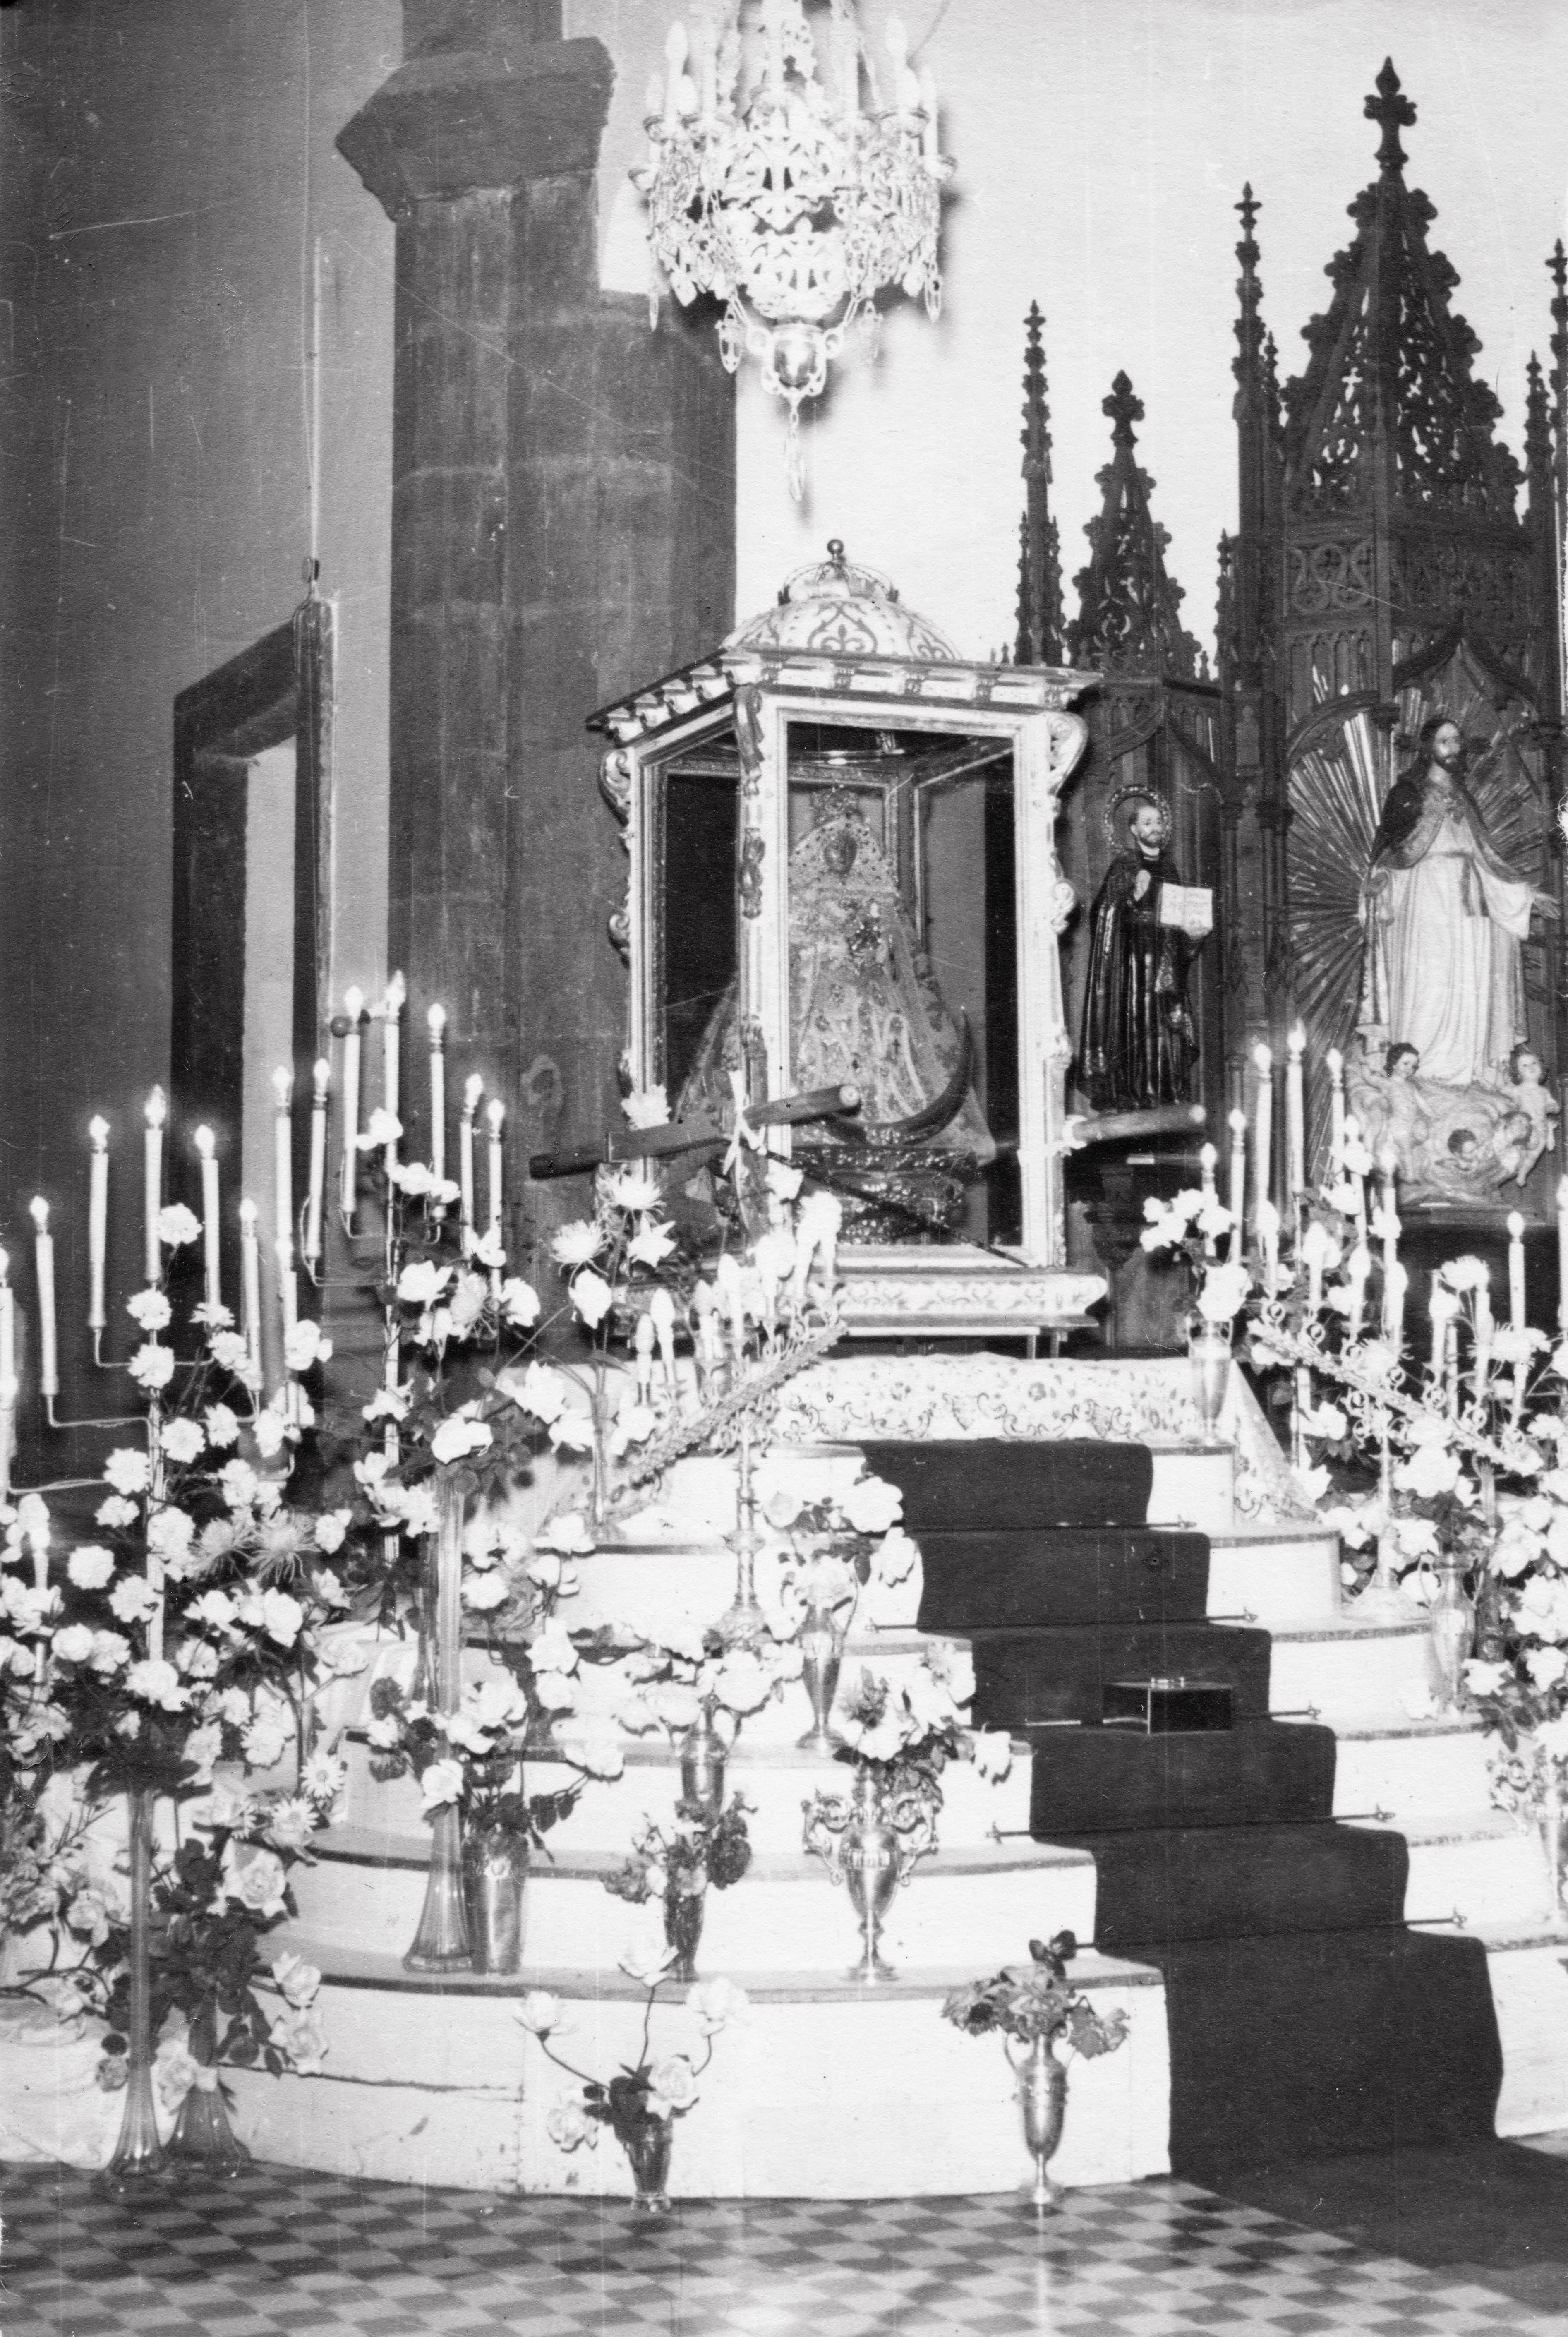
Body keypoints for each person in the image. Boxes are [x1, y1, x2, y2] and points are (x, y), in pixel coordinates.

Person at [1359, 715, 1556, 1090]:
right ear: (1428, 747)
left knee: (1469, 981)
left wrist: (1527, 896)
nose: (1454, 749)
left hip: (1470, 906)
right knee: (1429, 981)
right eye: (1445, 741)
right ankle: (1422, 1068)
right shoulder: (1408, 793)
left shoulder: (1464, 798)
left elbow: (1486, 858)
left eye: (1458, 741)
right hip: (1424, 898)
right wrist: (1380, 878)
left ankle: (1468, 1069)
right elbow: (1387, 851)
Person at [1078, 795, 1201, 1111]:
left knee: (1163, 1021)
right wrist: (1134, 896)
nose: (1156, 828)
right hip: (1132, 959)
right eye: (1148, 823)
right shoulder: (1125, 866)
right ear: (1134, 830)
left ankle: (1165, 1089)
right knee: (1136, 1020)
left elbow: (1178, 917)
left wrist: (1194, 934)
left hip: (1165, 957)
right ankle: (1132, 1092)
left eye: (1159, 822)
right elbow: (1102, 913)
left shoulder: (1169, 868)